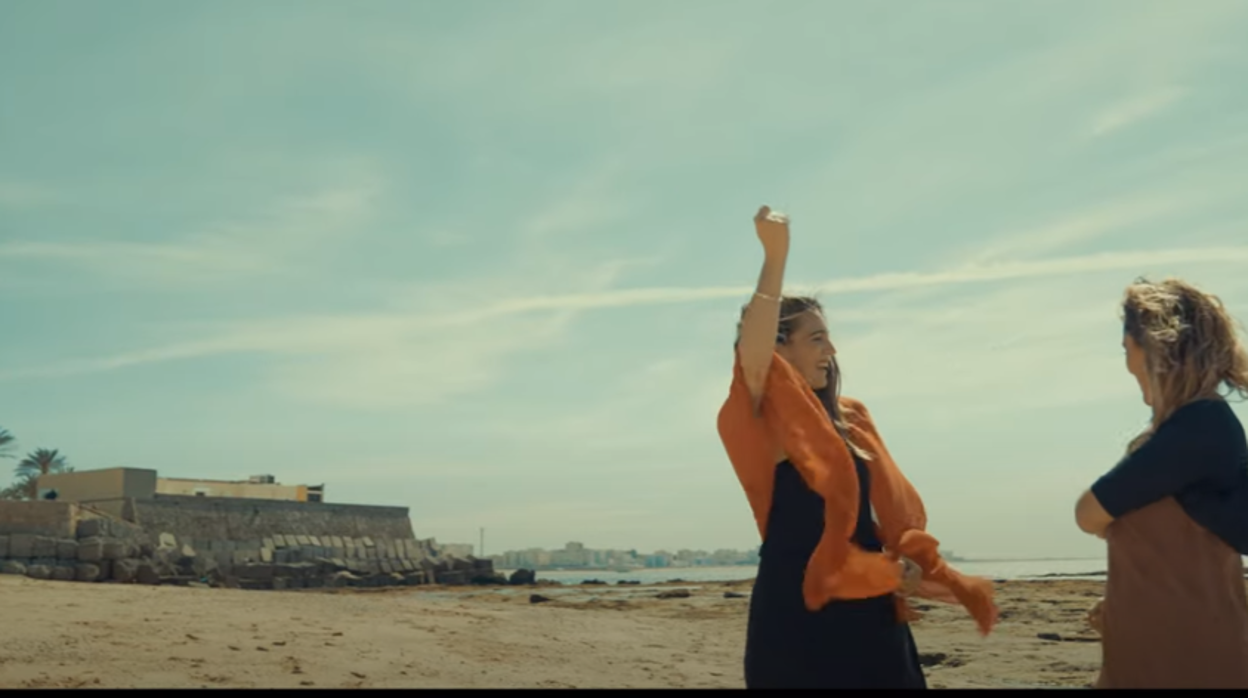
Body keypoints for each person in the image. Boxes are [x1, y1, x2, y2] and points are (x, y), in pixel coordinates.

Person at [717, 206, 996, 689]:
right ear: (779, 349)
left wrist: (905, 566)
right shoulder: (760, 417)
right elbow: (752, 350)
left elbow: (879, 518)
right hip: (798, 609)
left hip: (870, 604)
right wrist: (775, 255)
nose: (832, 350)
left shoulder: (851, 418)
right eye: (817, 339)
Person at [1075, 277, 1248, 688]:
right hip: (1173, 633)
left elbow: (1088, 513)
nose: (1127, 364)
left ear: (1152, 349)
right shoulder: (1195, 428)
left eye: (1125, 349)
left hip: (1187, 647)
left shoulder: (1196, 428)